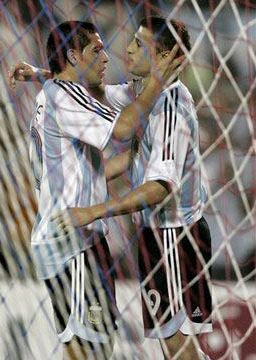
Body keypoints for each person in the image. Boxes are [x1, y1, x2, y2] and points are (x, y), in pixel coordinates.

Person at [9, 20, 183, 359]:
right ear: (74, 57)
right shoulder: (66, 95)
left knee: (90, 345)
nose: (107, 57)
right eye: (96, 50)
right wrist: (158, 80)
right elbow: (124, 128)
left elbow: (93, 169)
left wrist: (40, 72)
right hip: (75, 241)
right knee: (92, 349)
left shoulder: (56, 93)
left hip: (71, 238)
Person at [51, 17, 213, 360]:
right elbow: (98, 96)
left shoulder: (171, 107)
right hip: (157, 235)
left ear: (165, 57)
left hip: (174, 236)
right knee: (173, 344)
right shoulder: (142, 92)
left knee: (177, 344)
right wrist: (39, 74)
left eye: (140, 45)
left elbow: (160, 186)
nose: (127, 48)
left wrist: (94, 210)